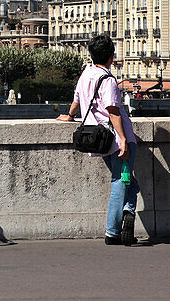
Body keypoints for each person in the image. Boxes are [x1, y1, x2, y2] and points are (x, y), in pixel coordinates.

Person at [57, 33, 139, 245]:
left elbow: (76, 101)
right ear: (112, 56)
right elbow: (113, 111)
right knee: (121, 181)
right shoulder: (108, 79)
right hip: (115, 138)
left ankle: (128, 212)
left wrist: (70, 116)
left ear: (91, 55)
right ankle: (114, 229)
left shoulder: (85, 74)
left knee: (128, 180)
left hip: (97, 138)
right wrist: (122, 139)